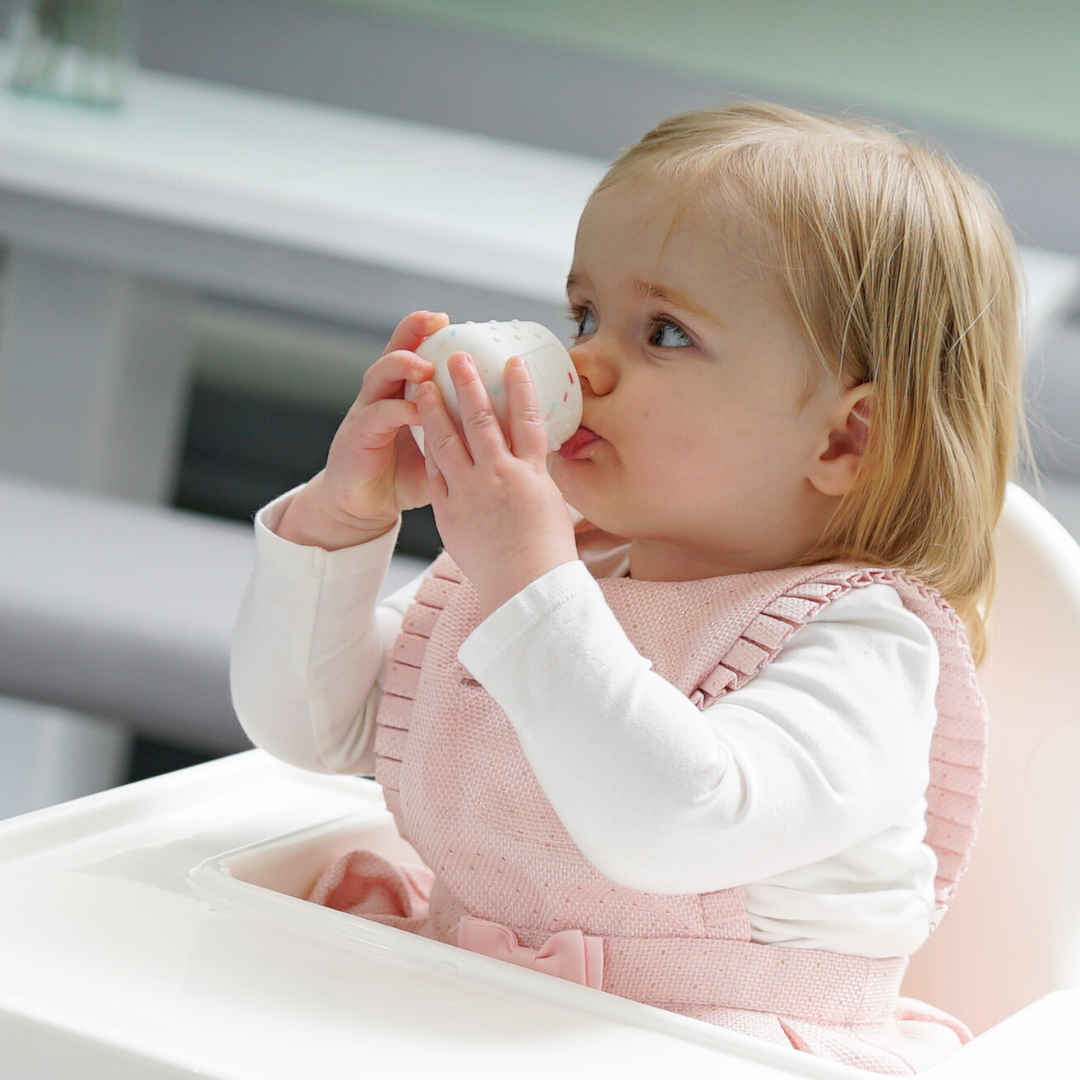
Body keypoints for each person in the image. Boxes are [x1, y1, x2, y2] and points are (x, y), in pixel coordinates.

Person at [230, 102, 1024, 1072]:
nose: (581, 362)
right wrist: (345, 518)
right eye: (586, 314)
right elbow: (311, 725)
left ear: (844, 439)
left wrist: (527, 578)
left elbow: (675, 821)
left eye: (667, 335)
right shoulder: (556, 576)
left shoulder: (864, 647)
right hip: (465, 1021)